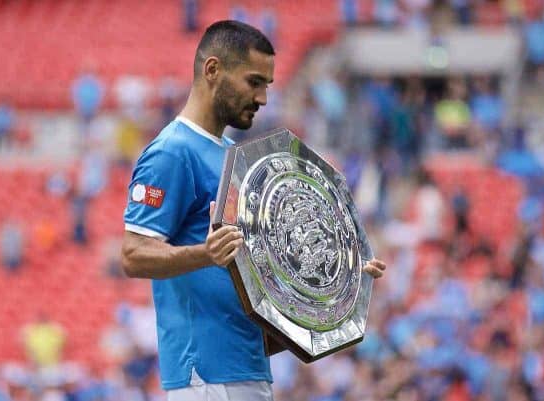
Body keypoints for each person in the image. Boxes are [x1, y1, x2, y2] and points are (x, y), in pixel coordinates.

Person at [121, 20, 387, 401]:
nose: (263, 98)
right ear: (213, 70)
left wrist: (342, 284)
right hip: (206, 380)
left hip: (248, 370)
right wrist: (203, 253)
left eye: (267, 85)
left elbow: (256, 305)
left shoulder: (234, 158)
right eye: (253, 82)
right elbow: (132, 255)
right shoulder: (173, 151)